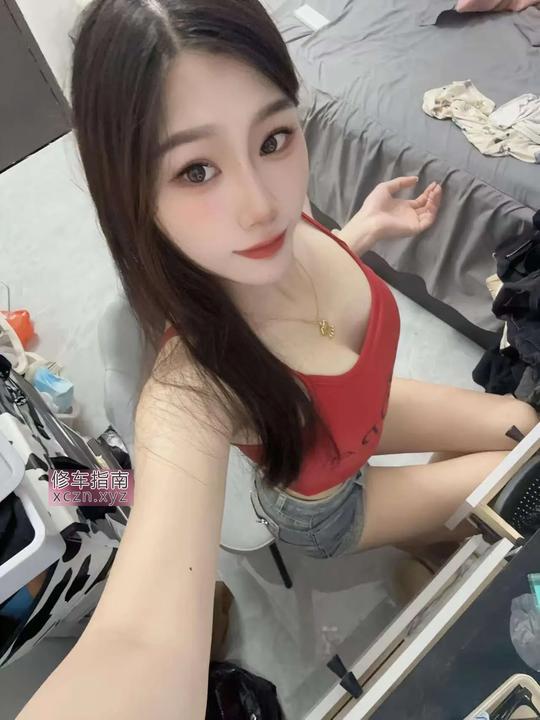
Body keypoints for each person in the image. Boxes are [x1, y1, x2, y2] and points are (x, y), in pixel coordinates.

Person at [16, 0, 538, 718]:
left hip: (357, 415)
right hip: (327, 504)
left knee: (519, 422)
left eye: (273, 137)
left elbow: (306, 259)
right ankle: (430, 550)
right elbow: (137, 642)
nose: (263, 205)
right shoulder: (191, 387)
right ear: (131, 192)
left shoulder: (280, 230)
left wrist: (364, 228)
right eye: (197, 170)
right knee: (513, 484)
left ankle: (433, 533)